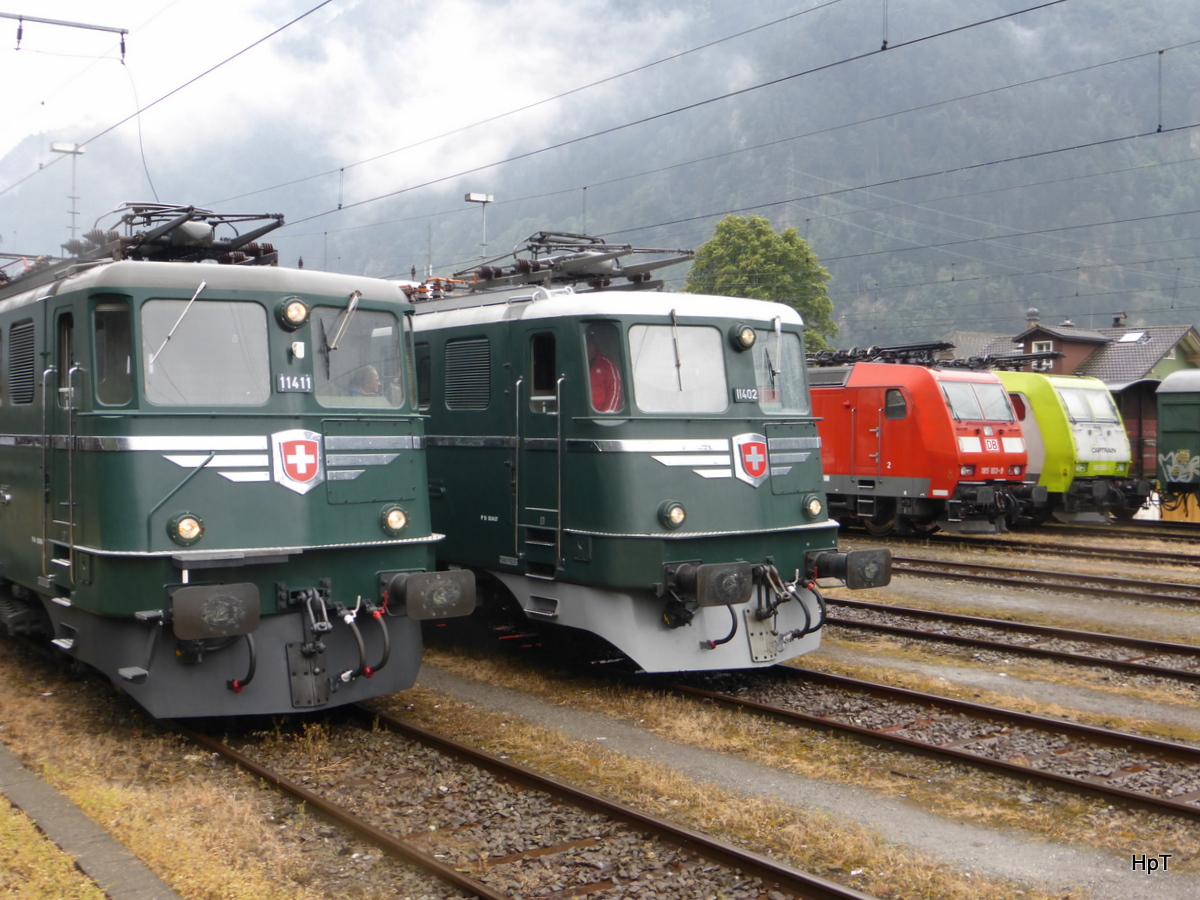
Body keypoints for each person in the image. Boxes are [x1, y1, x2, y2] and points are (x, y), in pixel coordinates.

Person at [587, 328, 623, 412]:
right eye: (590, 343)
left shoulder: (607, 364)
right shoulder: (575, 364)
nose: (593, 346)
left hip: (600, 414)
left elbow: (614, 390)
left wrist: (608, 413)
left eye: (593, 343)